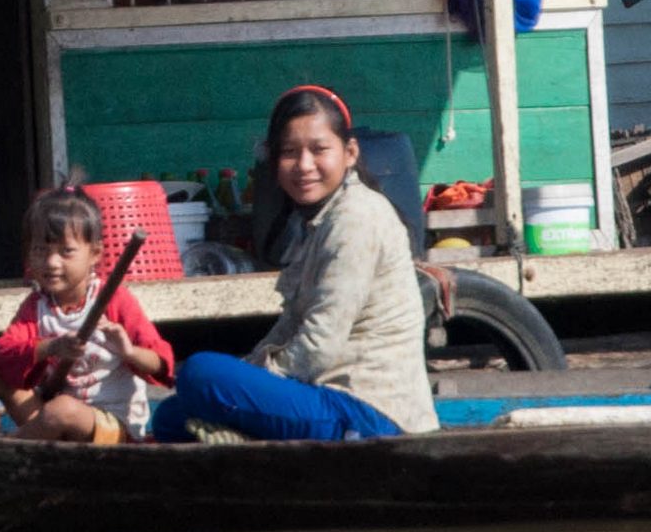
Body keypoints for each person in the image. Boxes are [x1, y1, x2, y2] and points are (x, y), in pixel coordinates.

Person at [151, 87, 437, 441]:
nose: (304, 166)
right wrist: (249, 376)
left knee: (199, 373)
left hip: (368, 412)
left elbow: (320, 344)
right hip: (326, 399)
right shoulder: (316, 221)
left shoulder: (356, 217)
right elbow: (289, 327)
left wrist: (252, 385)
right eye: (289, 153)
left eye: (319, 150)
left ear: (349, 153)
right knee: (170, 416)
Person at [0, 188, 176, 442]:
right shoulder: (37, 305)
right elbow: (4, 354)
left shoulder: (114, 301)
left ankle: (2, 455)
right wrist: (52, 347)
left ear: (95, 254)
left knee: (62, 410)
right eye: (41, 251)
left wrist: (128, 352)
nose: (52, 263)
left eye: (66, 252)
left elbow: (163, 364)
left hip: (111, 429)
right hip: (50, 419)